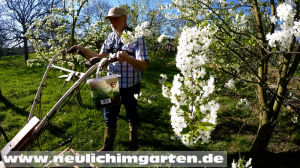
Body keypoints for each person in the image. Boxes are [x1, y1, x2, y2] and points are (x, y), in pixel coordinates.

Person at [69, 6, 149, 151]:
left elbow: (143, 66)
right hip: (109, 82)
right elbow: (99, 58)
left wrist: (127, 58)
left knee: (132, 113)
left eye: (115, 18)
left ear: (124, 17)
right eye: (110, 19)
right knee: (109, 115)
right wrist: (81, 49)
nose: (112, 22)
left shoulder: (137, 37)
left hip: (130, 85)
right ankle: (107, 147)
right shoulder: (110, 38)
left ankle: (133, 143)